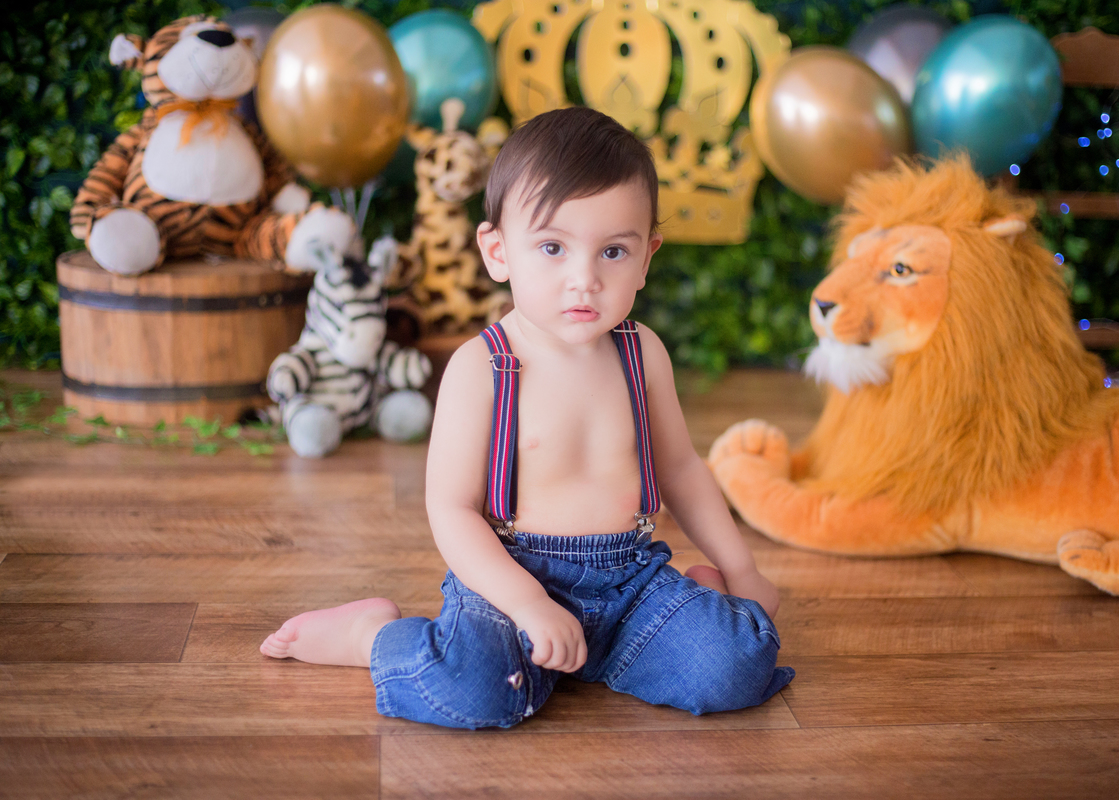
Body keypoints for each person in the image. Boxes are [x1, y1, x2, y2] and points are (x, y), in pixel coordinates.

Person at [259, 106, 794, 729]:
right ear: (497, 251)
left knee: (734, 665)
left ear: (647, 257)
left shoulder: (641, 352)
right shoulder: (482, 367)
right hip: (511, 578)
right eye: (552, 247)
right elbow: (452, 511)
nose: (584, 280)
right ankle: (371, 637)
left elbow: (679, 468)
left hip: (630, 581)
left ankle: (696, 604)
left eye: (613, 251)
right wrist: (529, 604)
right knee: (471, 688)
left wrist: (741, 567)